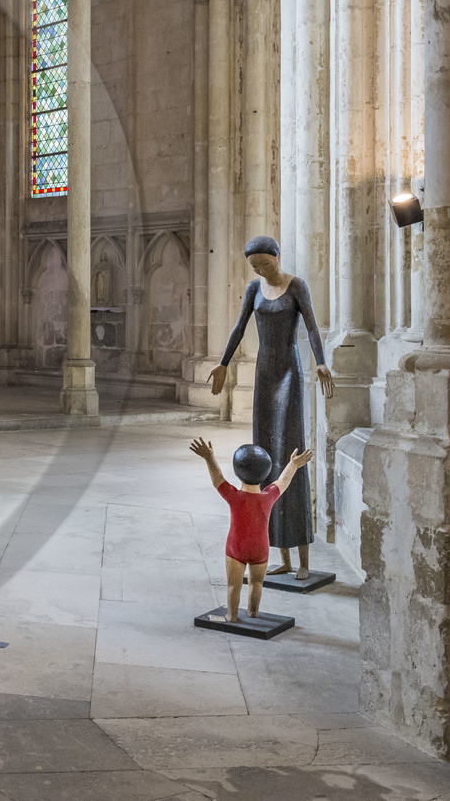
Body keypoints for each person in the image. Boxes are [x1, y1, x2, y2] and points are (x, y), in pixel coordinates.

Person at [210, 235, 333, 579]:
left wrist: (320, 362)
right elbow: (239, 327)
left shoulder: (296, 287)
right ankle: (280, 556)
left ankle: (304, 559)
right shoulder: (254, 289)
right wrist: (224, 363)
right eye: (255, 266)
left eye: (265, 263)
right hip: (265, 372)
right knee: (266, 458)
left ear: (277, 257)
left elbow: (310, 325)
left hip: (289, 372)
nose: (261, 270)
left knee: (290, 453)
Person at [190, 437, 311, 622]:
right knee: (256, 583)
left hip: (236, 547)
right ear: (265, 472)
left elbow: (217, 480)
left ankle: (232, 616)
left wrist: (209, 457)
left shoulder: (234, 496)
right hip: (260, 547)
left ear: (238, 471)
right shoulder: (268, 496)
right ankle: (253, 611)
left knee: (233, 585)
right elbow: (283, 481)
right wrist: (293, 465)